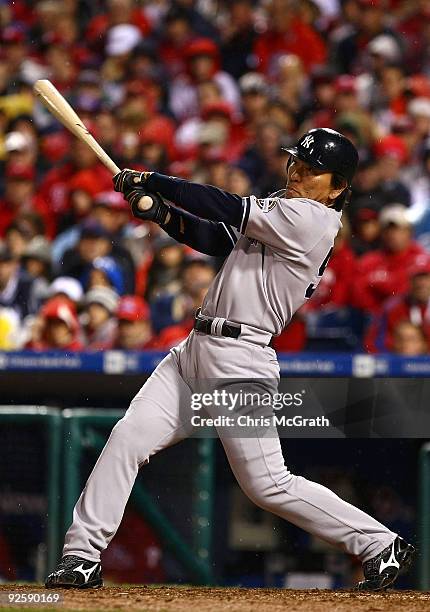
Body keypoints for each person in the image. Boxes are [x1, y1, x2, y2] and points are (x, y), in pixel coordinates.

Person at [45, 128, 414, 591]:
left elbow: (223, 205)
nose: (298, 173)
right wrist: (158, 211)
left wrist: (155, 181)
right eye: (296, 163)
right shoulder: (284, 209)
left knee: (267, 484)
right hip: (194, 351)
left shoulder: (314, 221)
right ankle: (82, 555)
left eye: (312, 170)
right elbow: (217, 238)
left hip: (241, 359)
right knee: (126, 439)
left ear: (338, 187)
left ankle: (380, 543)